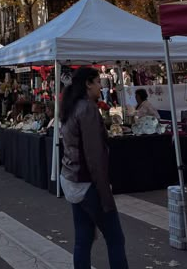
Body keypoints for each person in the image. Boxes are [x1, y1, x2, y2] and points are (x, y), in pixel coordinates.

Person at [60, 67, 129, 269]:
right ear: (88, 83)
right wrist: (104, 192)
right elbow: (94, 154)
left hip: (72, 178)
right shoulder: (87, 108)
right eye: (98, 82)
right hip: (87, 181)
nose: (101, 86)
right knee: (115, 238)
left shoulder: (70, 106)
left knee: (83, 238)